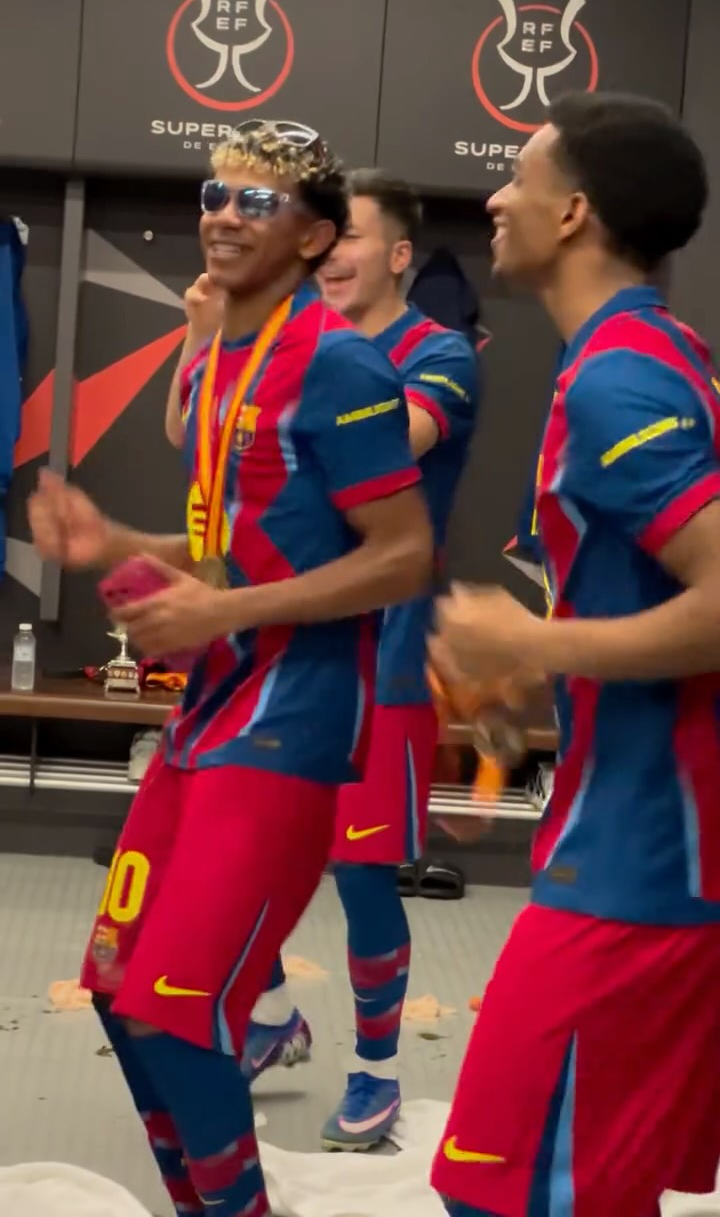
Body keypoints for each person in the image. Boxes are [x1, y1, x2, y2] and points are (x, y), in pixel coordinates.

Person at [29, 118, 433, 1217]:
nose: (223, 215)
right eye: (215, 193)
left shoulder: (341, 364)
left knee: (177, 1008)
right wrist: (115, 543)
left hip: (293, 728)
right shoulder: (218, 363)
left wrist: (224, 608)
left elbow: (402, 555)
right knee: (117, 991)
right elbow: (225, 545)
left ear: (314, 237)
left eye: (258, 202)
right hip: (208, 716)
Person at [430, 91, 720, 1217]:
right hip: (634, 834)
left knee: (506, 1191)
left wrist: (526, 635)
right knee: (592, 1182)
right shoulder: (638, 353)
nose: (496, 198)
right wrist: (529, 683)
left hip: (646, 860)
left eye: (520, 176)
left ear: (574, 214)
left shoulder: (619, 376)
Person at [166, 170, 482, 1151]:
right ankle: (271, 1017)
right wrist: (208, 337)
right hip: (264, 656)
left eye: (352, 239)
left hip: (382, 658)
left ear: (396, 255)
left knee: (359, 872)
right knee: (225, 848)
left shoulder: (436, 354)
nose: (332, 254)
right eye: (324, 237)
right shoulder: (274, 340)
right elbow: (187, 432)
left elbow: (390, 443)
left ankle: (376, 1070)